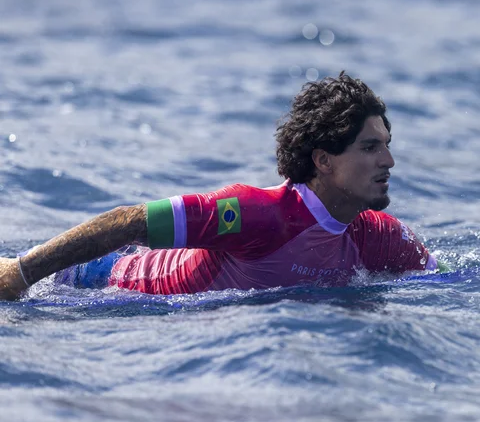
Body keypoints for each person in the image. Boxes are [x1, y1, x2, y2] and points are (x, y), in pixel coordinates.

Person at [0, 72, 437, 300]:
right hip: (99, 281)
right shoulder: (257, 214)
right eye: (370, 147)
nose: (389, 161)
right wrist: (20, 273)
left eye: (387, 145)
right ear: (323, 160)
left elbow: (455, 286)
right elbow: (130, 221)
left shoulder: (381, 236)